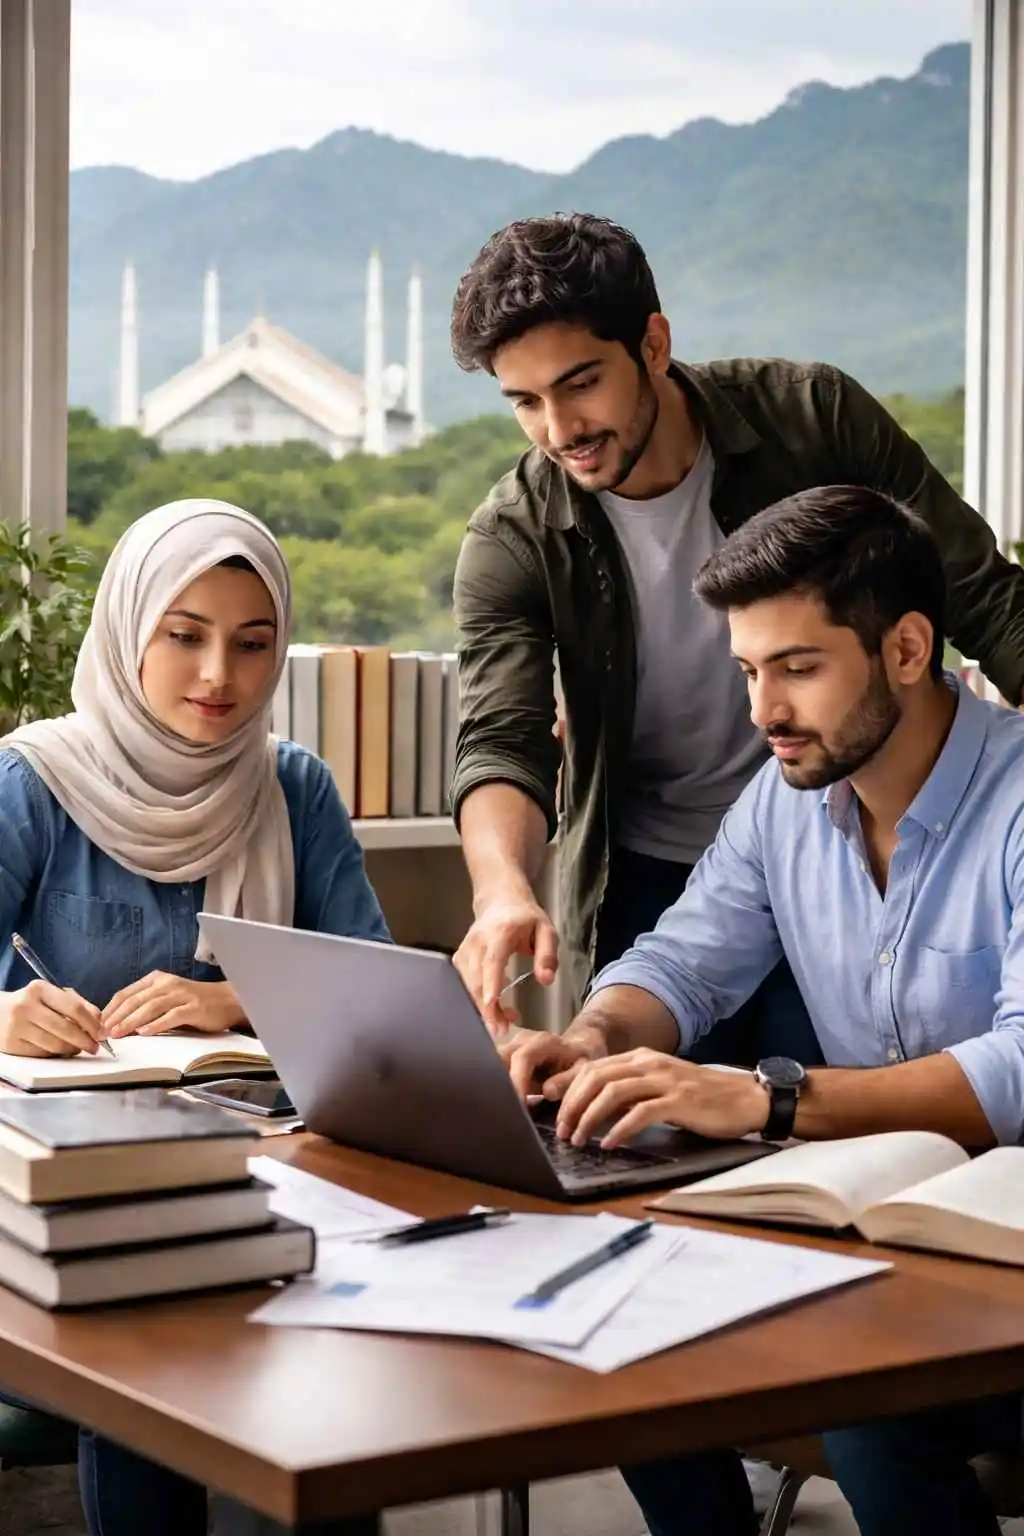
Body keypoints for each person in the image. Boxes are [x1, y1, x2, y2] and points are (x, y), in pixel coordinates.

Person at [501, 485, 1024, 1536]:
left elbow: (1018, 1069)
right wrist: (594, 1038)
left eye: (796, 668)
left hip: (1001, 1256)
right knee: (619, 1301)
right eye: (748, 671)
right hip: (886, 1239)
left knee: (866, 1390)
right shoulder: (783, 798)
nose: (761, 712)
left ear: (908, 650)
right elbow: (685, 964)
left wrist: (762, 1103)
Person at [447, 212, 1024, 1069]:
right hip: (663, 869)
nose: (559, 428)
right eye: (525, 402)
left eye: (579, 384)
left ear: (652, 344)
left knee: (835, 1107)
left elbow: (983, 599)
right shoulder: (513, 534)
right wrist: (502, 892)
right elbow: (503, 738)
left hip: (856, 836)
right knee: (630, 1109)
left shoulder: (813, 418)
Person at [0, 498, 388, 1536]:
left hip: (276, 1184)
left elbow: (378, 1003)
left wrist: (233, 995)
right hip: (71, 1197)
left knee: (332, 1372)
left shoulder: (293, 789)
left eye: (253, 644)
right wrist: (5, 1017)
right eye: (184, 635)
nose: (220, 676)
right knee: (147, 1361)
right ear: (131, 630)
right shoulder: (33, 784)